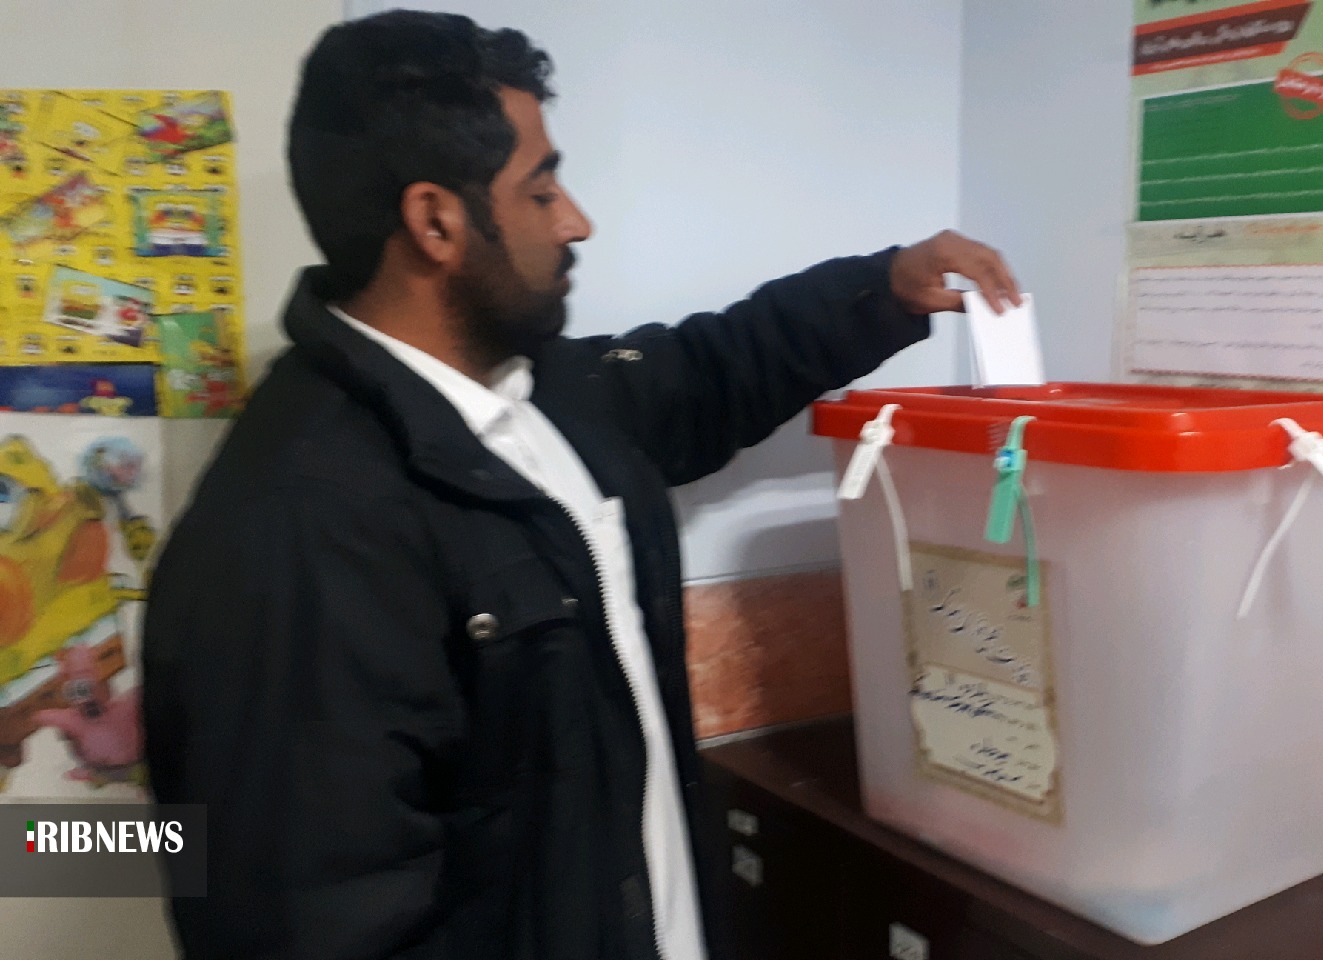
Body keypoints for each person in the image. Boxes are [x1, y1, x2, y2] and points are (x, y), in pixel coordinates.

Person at [141, 9, 1021, 960]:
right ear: (436, 221)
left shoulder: (537, 391)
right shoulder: (294, 529)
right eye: (542, 188)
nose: (575, 221)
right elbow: (311, 919)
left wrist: (885, 289)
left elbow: (709, 372)